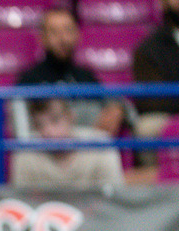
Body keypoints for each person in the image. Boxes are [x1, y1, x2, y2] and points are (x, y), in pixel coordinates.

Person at [14, 8, 125, 140]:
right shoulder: (29, 80)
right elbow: (21, 132)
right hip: (44, 150)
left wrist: (117, 108)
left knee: (107, 148)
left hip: (84, 150)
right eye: (54, 32)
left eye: (68, 30)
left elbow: (114, 104)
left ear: (78, 35)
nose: (63, 38)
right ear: (42, 38)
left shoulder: (85, 76)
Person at [11, 98, 124, 189]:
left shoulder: (101, 145)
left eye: (55, 120)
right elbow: (22, 203)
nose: (48, 131)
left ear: (71, 117)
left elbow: (113, 198)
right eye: (39, 125)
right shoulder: (25, 152)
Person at [132, 0, 179, 146]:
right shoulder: (149, 48)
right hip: (170, 114)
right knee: (146, 128)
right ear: (163, 3)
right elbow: (152, 99)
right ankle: (153, 170)